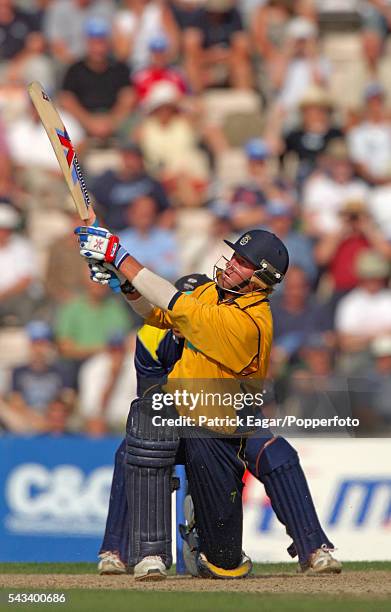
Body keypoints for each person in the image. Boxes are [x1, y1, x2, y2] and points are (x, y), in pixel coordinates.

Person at [75, 224, 341, 579]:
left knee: (274, 456)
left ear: (262, 278)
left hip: (230, 420)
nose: (231, 264)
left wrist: (119, 257)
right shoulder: (210, 295)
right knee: (140, 442)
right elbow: (158, 313)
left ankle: (313, 548)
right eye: (234, 256)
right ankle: (126, 552)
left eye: (243, 262)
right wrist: (123, 283)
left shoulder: (247, 321)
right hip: (186, 414)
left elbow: (171, 301)